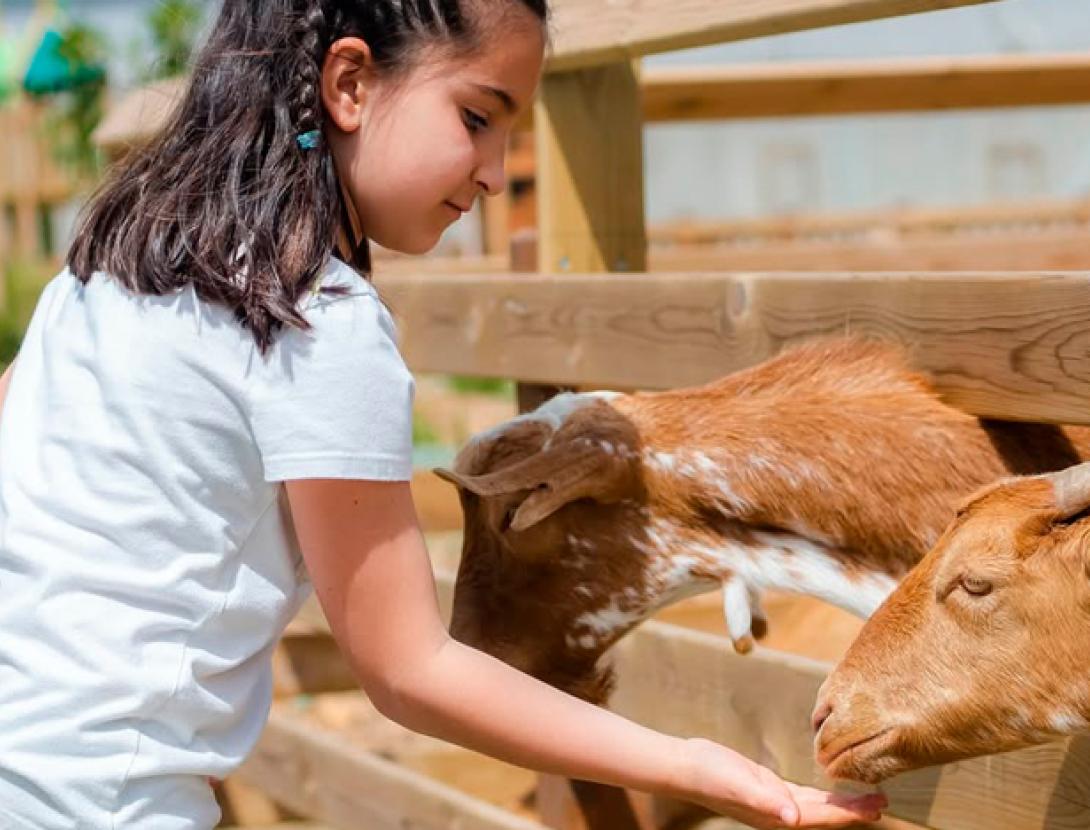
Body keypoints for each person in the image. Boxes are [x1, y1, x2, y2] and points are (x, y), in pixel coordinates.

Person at [0, 1, 888, 828]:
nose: (497, 173)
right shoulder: (315, 320)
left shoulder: (114, 263)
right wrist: (697, 765)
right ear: (349, 83)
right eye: (476, 117)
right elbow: (408, 668)